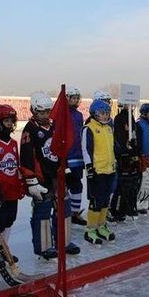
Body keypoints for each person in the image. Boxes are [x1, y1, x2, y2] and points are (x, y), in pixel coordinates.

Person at [20, 92, 80, 260]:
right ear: (33, 110)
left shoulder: (54, 126)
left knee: (64, 209)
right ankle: (44, 247)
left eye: (47, 111)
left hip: (56, 176)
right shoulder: (29, 130)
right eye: (41, 112)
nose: (45, 115)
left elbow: (62, 148)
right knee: (43, 213)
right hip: (41, 179)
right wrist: (31, 182)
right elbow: (26, 158)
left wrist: (65, 168)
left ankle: (64, 242)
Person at [0, 104, 25, 265]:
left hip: (12, 190)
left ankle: (4, 248)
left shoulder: (13, 143)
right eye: (7, 121)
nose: (10, 124)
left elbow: (16, 166)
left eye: (11, 121)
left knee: (9, 220)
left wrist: (21, 185)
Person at [81, 100, 116, 244]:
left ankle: (101, 225)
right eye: (102, 113)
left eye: (107, 113)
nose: (105, 116)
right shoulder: (88, 128)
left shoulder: (108, 128)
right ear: (94, 114)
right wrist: (89, 167)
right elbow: (85, 149)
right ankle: (90, 229)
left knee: (105, 201)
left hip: (109, 169)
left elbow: (112, 147)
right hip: (97, 171)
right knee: (96, 201)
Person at [109, 100, 139, 220]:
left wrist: (134, 146)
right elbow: (120, 137)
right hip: (123, 155)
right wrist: (125, 148)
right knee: (123, 184)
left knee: (133, 183)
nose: (129, 106)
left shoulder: (131, 117)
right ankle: (118, 210)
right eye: (127, 104)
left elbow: (133, 133)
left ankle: (130, 207)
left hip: (131, 154)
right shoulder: (119, 118)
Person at [65, 86, 86, 226]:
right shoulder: (62, 114)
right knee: (65, 187)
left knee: (77, 186)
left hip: (78, 156)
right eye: (73, 98)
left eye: (77, 98)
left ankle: (74, 212)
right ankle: (64, 213)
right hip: (67, 157)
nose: (76, 100)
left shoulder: (79, 115)